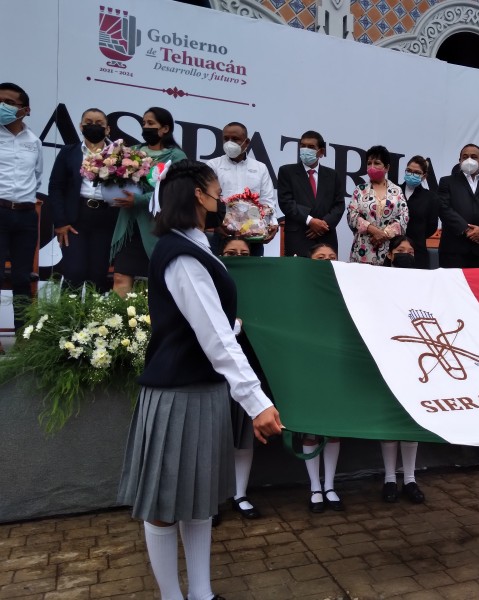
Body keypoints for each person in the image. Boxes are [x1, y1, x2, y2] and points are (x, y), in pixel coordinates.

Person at [118, 161, 282, 600]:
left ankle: (202, 594)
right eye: (215, 189)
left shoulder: (197, 244)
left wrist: (233, 326)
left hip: (204, 390)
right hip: (178, 394)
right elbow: (211, 335)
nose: (222, 197)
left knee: (198, 503)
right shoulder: (180, 253)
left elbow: (211, 323)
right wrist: (257, 401)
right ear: (197, 195)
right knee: (165, 507)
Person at [110, 107, 187, 297]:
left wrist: (140, 200)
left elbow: (173, 192)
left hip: (156, 226)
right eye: (144, 123)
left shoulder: (176, 157)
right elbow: (120, 181)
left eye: (151, 123)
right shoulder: (132, 152)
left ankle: (148, 323)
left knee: (156, 280)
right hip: (129, 224)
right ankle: (116, 325)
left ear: (165, 128)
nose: (145, 127)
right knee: (120, 277)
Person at [213, 237, 262, 525]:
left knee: (243, 438)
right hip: (215, 373)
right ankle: (214, 497)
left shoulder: (260, 286)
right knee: (216, 439)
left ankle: (240, 494)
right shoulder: (210, 284)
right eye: (231, 253)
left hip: (248, 371)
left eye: (244, 253)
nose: (238, 257)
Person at [47, 108, 118, 291]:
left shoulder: (121, 155)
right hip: (75, 219)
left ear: (108, 129)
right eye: (88, 122)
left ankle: (95, 319)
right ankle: (67, 319)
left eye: (99, 124)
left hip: (106, 219)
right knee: (74, 272)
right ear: (80, 126)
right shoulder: (69, 152)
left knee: (98, 274)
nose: (93, 126)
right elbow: (55, 187)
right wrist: (60, 222)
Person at [380, 235, 425, 503]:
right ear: (389, 255)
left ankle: (410, 478)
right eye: (400, 250)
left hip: (416, 358)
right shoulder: (377, 284)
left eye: (410, 250)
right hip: (388, 355)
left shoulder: (423, 285)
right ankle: (388, 478)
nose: (406, 254)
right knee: (390, 420)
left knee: (410, 419)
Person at [303, 242, 344, 512]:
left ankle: (329, 484)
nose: (326, 260)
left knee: (334, 429)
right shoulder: (301, 288)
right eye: (320, 257)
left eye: (331, 257)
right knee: (310, 430)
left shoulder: (344, 288)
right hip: (308, 367)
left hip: (336, 366)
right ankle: (314, 487)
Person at [0, 82, 43, 331]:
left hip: (26, 216)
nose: (2, 106)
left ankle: (25, 338)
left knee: (22, 278)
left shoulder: (34, 141)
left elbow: (36, 177)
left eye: (7, 102)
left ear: (24, 109)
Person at [207, 122, 278, 254]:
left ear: (247, 142)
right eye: (226, 138)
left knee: (253, 273)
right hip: (223, 234)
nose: (229, 143)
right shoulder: (213, 165)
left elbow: (267, 200)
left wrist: (273, 223)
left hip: (253, 235)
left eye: (235, 139)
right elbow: (208, 199)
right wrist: (215, 225)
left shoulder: (260, 168)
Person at [277, 130, 345, 258]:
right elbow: (286, 202)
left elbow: (339, 205)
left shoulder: (333, 175)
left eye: (311, 147)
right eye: (302, 146)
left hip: (326, 236)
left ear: (321, 152)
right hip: (298, 236)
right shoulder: (287, 171)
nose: (305, 149)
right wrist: (310, 221)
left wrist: (323, 225)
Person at [437, 143, 479, 268]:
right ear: (460, 160)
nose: (469, 160)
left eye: (473, 157)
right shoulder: (447, 182)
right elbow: (443, 208)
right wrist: (466, 230)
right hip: (452, 250)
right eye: (465, 156)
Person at [347, 145, 408, 265]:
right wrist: (373, 230)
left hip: (389, 249)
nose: (372, 167)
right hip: (363, 248)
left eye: (377, 163)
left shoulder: (397, 191)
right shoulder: (359, 190)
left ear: (387, 167)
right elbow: (351, 215)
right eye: (369, 163)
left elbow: (403, 217)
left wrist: (384, 234)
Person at [399, 156, 438, 269]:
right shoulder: (394, 190)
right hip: (394, 249)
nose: (412, 174)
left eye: (416, 172)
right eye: (409, 171)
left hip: (417, 251)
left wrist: (416, 235)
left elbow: (432, 227)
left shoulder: (431, 197)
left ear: (424, 176)